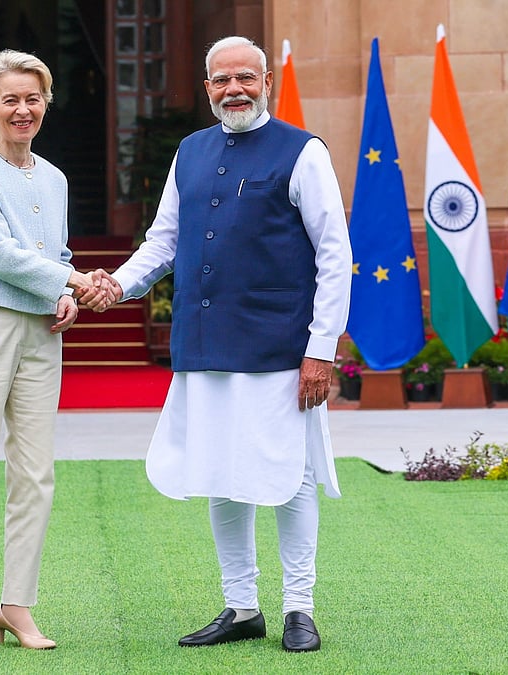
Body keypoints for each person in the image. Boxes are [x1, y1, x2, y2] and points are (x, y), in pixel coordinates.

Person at [87, 35, 352, 652]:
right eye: (219, 80)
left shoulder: (304, 152)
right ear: (207, 88)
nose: (233, 89)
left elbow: (335, 256)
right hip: (204, 343)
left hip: (280, 348)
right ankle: (241, 606)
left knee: (292, 475)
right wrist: (114, 286)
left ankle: (299, 608)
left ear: (266, 83)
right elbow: (163, 241)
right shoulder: (190, 151)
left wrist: (321, 349)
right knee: (219, 473)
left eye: (245, 78)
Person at [0, 49, 96, 654]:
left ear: (44, 105)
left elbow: (55, 254)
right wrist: (72, 282)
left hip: (39, 334)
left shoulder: (53, 178)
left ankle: (16, 606)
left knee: (35, 474)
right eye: (11, 100)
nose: (23, 109)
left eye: (33, 98)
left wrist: (68, 290)